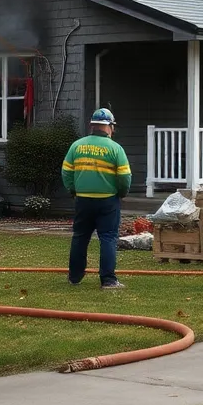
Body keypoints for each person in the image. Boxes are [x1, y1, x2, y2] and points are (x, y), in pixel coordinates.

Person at [62, 108, 131, 290]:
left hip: (83, 200)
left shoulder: (77, 146)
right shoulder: (116, 149)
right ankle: (108, 280)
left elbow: (66, 172)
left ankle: (74, 277)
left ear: (92, 125)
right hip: (108, 201)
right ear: (109, 127)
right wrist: (122, 193)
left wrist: (73, 190)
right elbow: (125, 177)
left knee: (80, 237)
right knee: (108, 238)